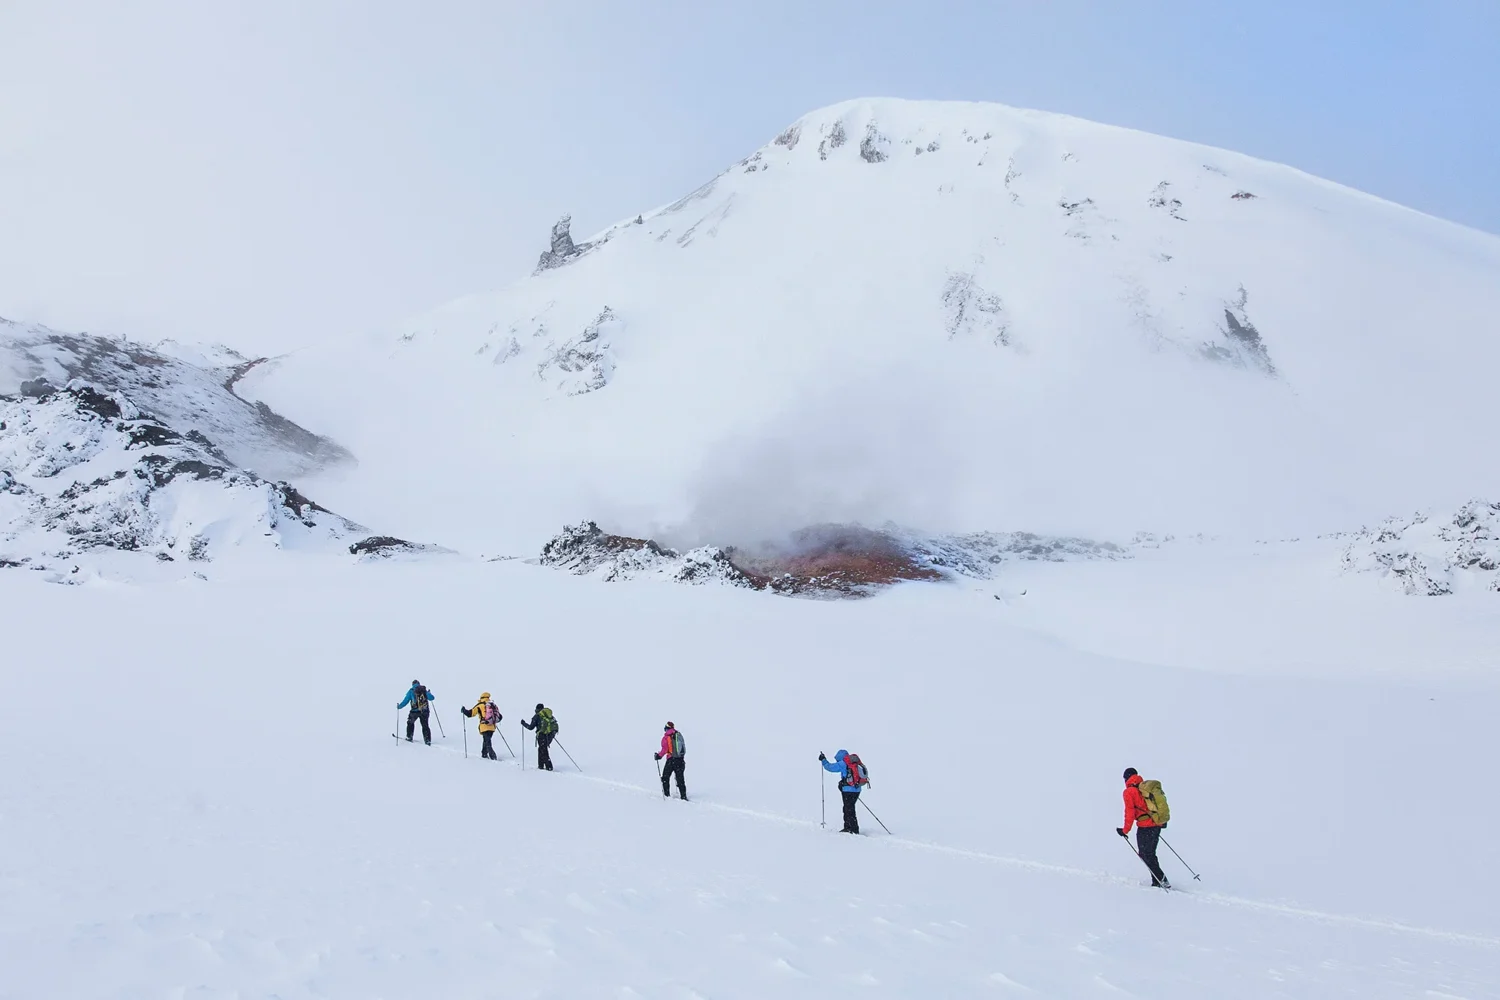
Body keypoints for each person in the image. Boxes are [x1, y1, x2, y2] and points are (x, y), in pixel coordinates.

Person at [1118, 767, 1170, 888]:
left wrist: (1125, 830)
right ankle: (1157, 880)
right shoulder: (1144, 788)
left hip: (1145, 827)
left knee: (1144, 854)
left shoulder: (1129, 792)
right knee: (1150, 854)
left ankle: (1161, 880)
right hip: (1156, 825)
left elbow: (1129, 813)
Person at [820, 749, 866, 834]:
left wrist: (823, 760)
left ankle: (852, 829)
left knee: (848, 809)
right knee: (849, 808)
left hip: (848, 790)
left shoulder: (843, 763)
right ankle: (849, 827)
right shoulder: (855, 762)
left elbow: (830, 767)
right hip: (857, 788)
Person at [459, 692, 502, 760]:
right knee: (486, 740)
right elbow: (500, 716)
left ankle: (493, 756)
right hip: (492, 727)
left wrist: (464, 710)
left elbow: (470, 713)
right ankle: (484, 754)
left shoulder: (480, 705)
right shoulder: (492, 704)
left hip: (484, 726)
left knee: (487, 742)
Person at [520, 703, 558, 770]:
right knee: (542, 749)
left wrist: (523, 723)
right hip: (550, 735)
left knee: (543, 750)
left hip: (542, 735)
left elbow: (531, 727)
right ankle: (541, 766)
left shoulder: (537, 716)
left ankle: (548, 767)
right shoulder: (548, 715)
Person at [397, 680, 436, 744]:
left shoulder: (411, 691)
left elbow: (406, 701)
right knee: (425, 725)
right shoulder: (423, 690)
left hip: (414, 711)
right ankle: (427, 740)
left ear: (412, 684)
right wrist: (429, 693)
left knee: (410, 723)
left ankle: (409, 737)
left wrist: (399, 706)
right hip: (424, 711)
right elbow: (432, 698)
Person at [655, 722, 687, 800]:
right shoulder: (678, 734)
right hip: (680, 760)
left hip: (671, 760)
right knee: (680, 778)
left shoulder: (666, 737)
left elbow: (664, 749)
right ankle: (683, 796)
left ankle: (666, 795)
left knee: (665, 777)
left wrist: (658, 756)